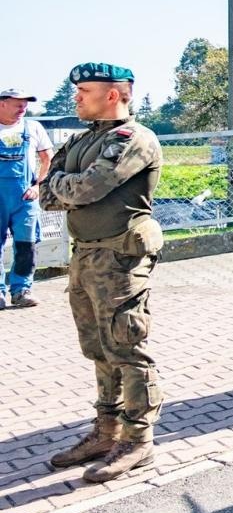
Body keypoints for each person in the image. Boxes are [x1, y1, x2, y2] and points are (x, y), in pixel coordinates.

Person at [38, 63, 164, 483]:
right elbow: (46, 195)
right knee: (98, 349)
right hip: (86, 257)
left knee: (127, 348)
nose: (76, 98)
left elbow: (87, 189)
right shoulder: (80, 140)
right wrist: (64, 184)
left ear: (113, 95)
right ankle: (106, 431)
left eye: (84, 91)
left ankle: (137, 440)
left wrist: (64, 184)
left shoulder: (133, 139)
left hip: (121, 259)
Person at [0, 87, 53, 309]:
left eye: (25, 104)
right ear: (2, 103)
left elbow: (47, 158)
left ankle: (22, 290)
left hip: (25, 196)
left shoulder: (32, 128)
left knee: (26, 245)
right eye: (18, 104)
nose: (23, 108)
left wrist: (37, 185)